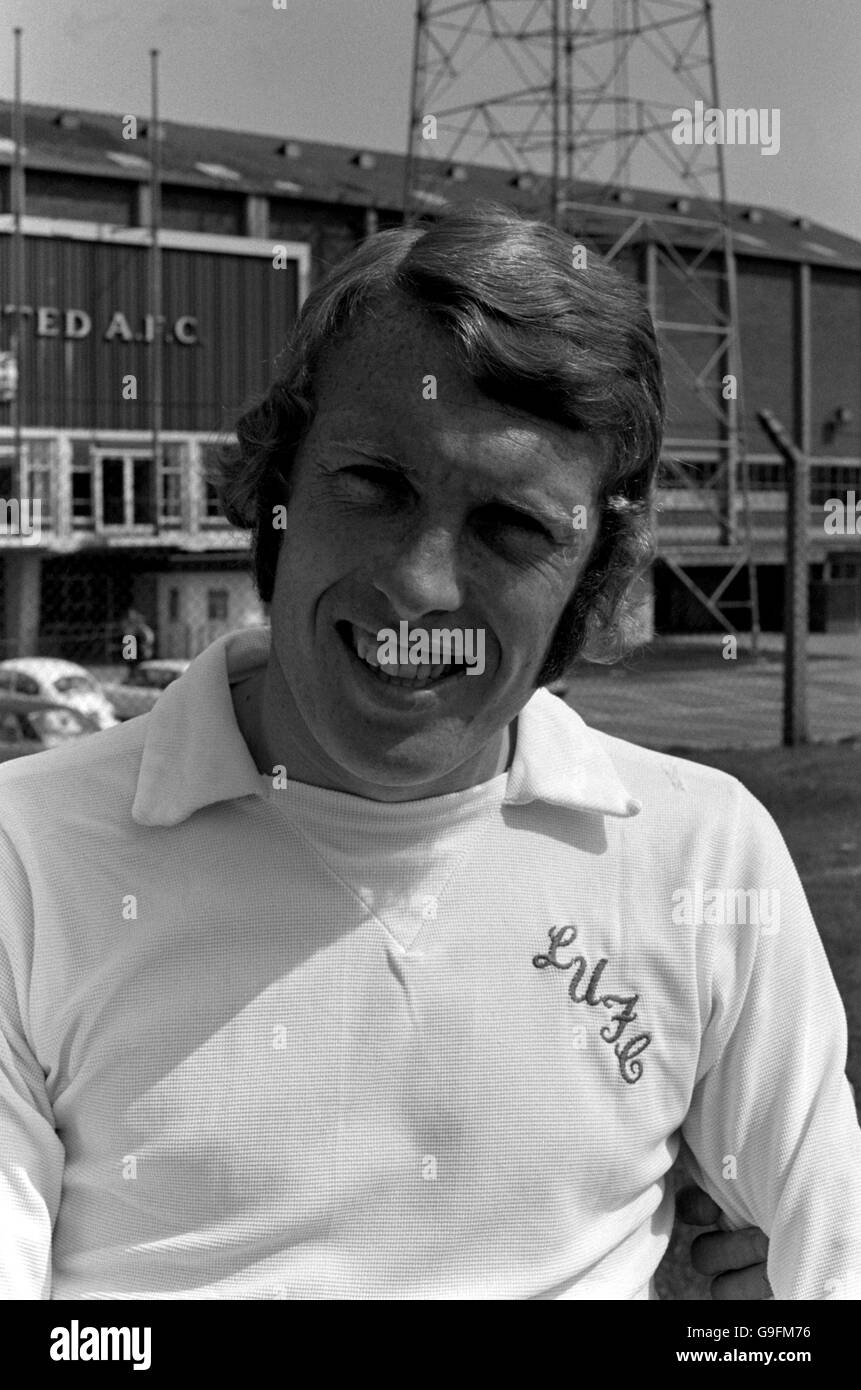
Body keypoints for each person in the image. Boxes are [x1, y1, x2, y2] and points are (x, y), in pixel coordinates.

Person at [1, 204, 858, 1300]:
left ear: (591, 583)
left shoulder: (703, 860)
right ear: (274, 495)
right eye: (373, 484)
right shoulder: (26, 859)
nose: (418, 586)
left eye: (512, 527)